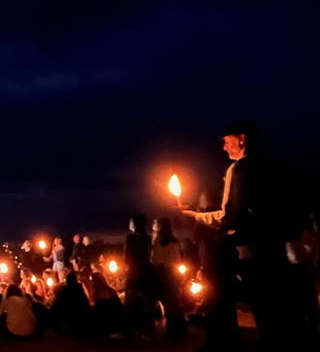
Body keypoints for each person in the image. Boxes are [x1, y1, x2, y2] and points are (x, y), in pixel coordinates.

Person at [182, 121, 317, 350]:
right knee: (278, 313)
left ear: (242, 139)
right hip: (276, 250)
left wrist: (196, 216)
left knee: (243, 303)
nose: (224, 147)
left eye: (227, 141)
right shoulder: (274, 167)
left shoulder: (239, 169)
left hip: (251, 253)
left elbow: (230, 216)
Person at [150, 217, 186, 339]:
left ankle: (173, 332)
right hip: (174, 273)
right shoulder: (175, 241)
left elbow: (155, 260)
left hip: (164, 273)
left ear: (159, 226)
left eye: (155, 224)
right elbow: (179, 258)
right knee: (174, 302)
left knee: (169, 303)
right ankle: (179, 330)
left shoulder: (158, 241)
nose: (152, 226)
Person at [124, 213, 155, 339]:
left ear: (134, 224)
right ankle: (148, 330)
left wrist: (127, 267)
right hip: (147, 271)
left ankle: (128, 330)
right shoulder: (148, 238)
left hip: (134, 272)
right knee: (147, 301)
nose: (129, 224)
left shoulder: (131, 237)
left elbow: (127, 256)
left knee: (130, 300)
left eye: (131, 221)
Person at [88, 271, 124, 337]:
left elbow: (104, 309)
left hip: (110, 321)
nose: (92, 283)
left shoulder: (103, 292)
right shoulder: (107, 290)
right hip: (113, 320)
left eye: (93, 281)